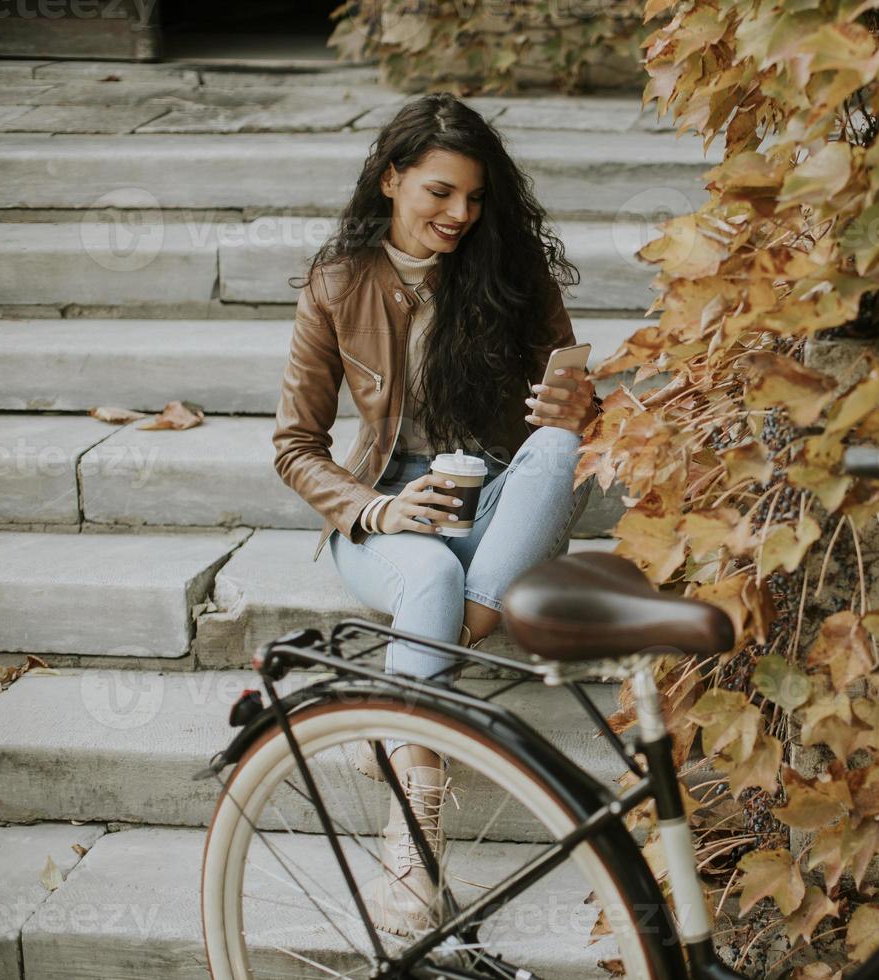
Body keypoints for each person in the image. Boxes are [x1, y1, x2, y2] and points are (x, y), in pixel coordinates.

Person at [271, 93, 600, 937]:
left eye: (476, 197)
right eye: (441, 193)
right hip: (387, 509)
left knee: (558, 455)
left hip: (494, 496)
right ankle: (411, 844)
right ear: (391, 179)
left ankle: (393, 711)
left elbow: (570, 435)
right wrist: (378, 508)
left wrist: (576, 409)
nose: (462, 214)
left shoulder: (510, 276)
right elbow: (295, 446)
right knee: (428, 571)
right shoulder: (337, 283)